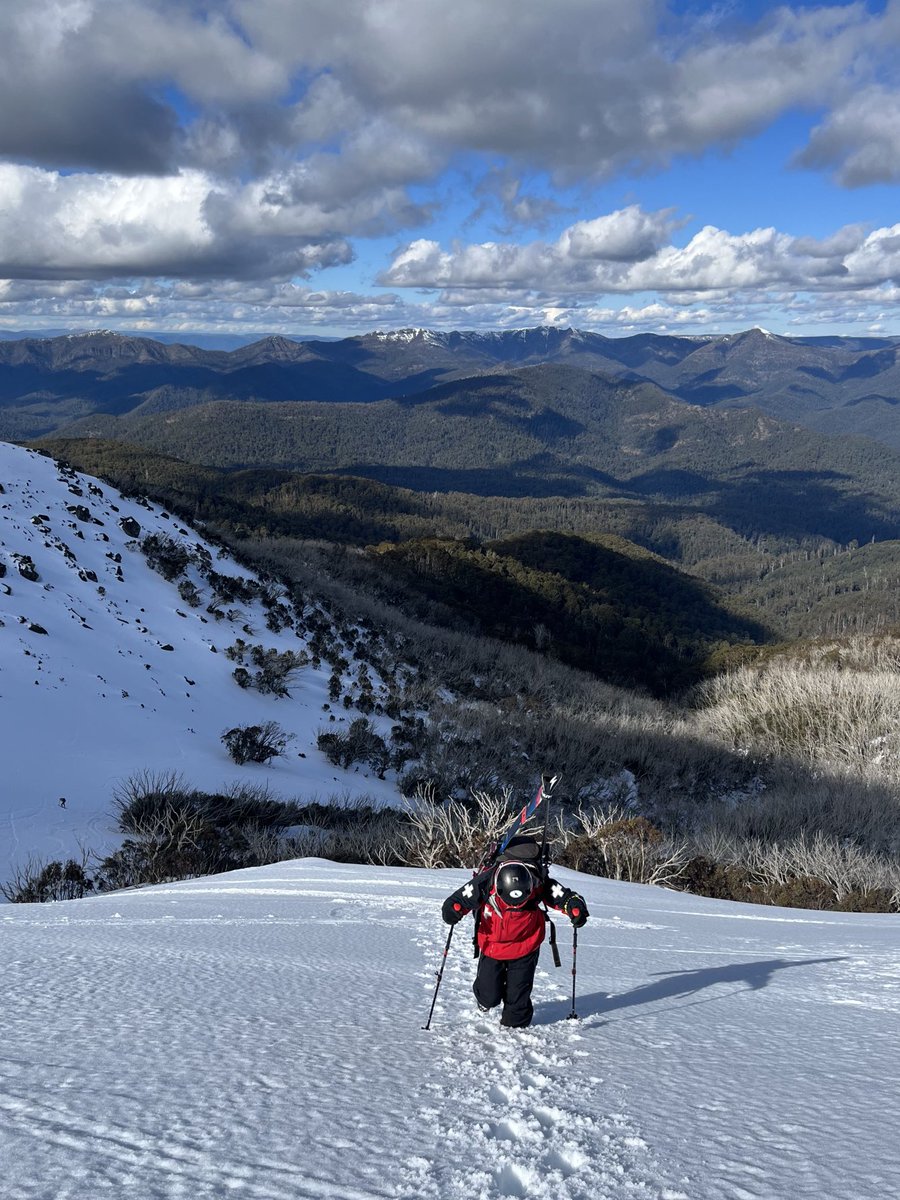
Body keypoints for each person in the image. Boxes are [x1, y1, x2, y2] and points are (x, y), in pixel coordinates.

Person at [441, 842, 588, 1029]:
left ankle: (515, 1028)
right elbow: (461, 897)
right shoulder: (488, 879)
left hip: (526, 944)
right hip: (492, 943)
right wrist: (453, 909)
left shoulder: (537, 879)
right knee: (488, 996)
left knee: (517, 1011)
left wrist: (575, 907)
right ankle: (484, 1001)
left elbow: (563, 896)